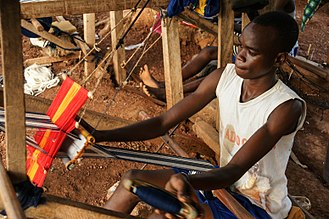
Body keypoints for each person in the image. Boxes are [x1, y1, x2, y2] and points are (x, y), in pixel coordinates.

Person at [87, 11, 306, 218]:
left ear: (279, 59)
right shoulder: (225, 77)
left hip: (258, 204)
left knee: (162, 215)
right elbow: (164, 121)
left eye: (253, 52)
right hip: (220, 181)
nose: (241, 56)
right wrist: (100, 135)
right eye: (241, 47)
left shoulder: (286, 107)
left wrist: (188, 181)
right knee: (131, 181)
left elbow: (235, 169)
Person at [140, 0, 297, 101]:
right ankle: (166, 84)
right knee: (209, 52)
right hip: (255, 46)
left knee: (223, 71)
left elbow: (263, 25)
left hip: (269, 53)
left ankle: (171, 93)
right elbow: (249, 22)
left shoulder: (279, 4)